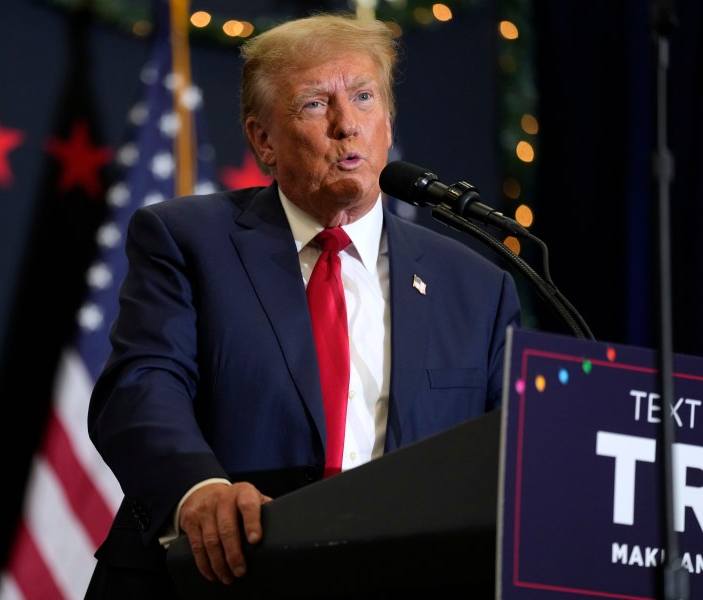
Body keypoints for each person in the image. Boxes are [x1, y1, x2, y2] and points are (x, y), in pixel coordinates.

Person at [84, 12, 521, 598]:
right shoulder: (187, 240)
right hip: (221, 576)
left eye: (364, 98)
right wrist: (199, 491)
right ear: (263, 139)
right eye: (315, 105)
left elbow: (504, 459)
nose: (347, 126)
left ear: (388, 123)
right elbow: (141, 386)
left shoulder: (476, 286)